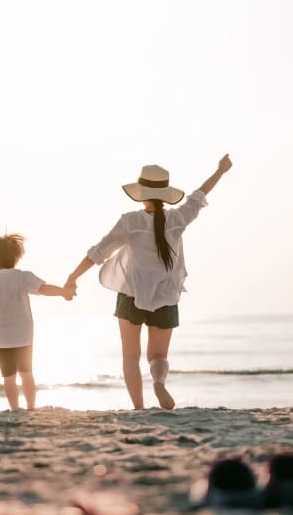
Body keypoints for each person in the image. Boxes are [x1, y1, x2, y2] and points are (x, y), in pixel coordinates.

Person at [64, 154, 233, 410]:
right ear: (165, 194)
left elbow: (99, 252)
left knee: (130, 357)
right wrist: (220, 170)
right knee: (158, 356)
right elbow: (199, 195)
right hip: (166, 295)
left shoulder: (130, 221)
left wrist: (73, 277)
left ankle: (139, 408)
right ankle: (158, 381)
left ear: (141, 193)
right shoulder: (178, 218)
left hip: (131, 294)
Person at [0, 234, 71, 411]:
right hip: (24, 334)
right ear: (16, 257)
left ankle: (15, 408)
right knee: (27, 374)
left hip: (0, 335)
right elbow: (44, 289)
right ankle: (31, 406)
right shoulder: (24, 276)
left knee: (8, 377)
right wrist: (63, 291)